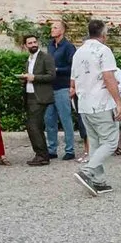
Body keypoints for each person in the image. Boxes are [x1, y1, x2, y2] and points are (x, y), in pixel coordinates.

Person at [71, 18, 121, 197]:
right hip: (101, 103)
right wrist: (118, 101)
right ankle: (87, 170)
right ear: (103, 33)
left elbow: (73, 80)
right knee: (110, 142)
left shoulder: (78, 52)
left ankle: (98, 181)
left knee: (94, 142)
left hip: (84, 104)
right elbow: (108, 77)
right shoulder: (103, 51)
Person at [44, 19, 79, 161]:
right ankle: (51, 149)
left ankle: (70, 149)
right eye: (52, 27)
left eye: (55, 27)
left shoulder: (69, 47)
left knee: (65, 119)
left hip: (63, 87)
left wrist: (57, 70)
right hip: (49, 88)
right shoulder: (50, 46)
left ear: (62, 30)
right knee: (49, 119)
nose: (52, 29)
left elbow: (73, 68)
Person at [21, 32, 57, 165]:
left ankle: (42, 156)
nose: (33, 45)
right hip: (30, 95)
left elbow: (52, 76)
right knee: (34, 126)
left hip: (41, 97)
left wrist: (34, 77)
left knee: (33, 126)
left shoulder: (46, 57)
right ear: (25, 46)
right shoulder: (29, 60)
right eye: (30, 43)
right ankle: (42, 154)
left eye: (35, 42)